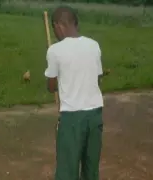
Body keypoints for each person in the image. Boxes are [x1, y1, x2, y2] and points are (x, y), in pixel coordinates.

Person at [44, 6, 104, 180]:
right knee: (91, 170)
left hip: (71, 118)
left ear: (58, 25)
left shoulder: (55, 50)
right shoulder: (94, 45)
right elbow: (98, 79)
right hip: (95, 116)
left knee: (67, 171)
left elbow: (51, 86)